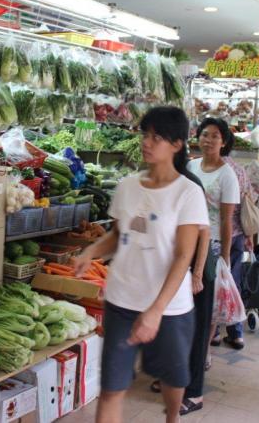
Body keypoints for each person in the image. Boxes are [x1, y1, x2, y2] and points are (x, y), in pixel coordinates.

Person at [72, 106, 209, 423]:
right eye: (145, 135)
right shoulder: (127, 186)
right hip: (121, 301)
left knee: (173, 381)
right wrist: (89, 252)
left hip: (170, 309)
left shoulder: (188, 194)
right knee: (111, 389)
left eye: (157, 137)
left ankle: (172, 418)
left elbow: (182, 256)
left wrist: (156, 310)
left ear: (177, 144)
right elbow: (118, 236)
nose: (147, 142)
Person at [183, 117, 240, 415]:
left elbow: (228, 220)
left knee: (201, 316)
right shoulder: (191, 167)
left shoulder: (227, 175)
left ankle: (195, 380)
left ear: (224, 141)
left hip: (212, 247)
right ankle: (181, 373)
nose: (208, 140)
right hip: (186, 246)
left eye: (215, 136)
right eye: (205, 135)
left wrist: (226, 255)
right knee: (184, 313)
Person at [219, 131, 253, 351]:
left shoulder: (204, 170)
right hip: (237, 234)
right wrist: (249, 235)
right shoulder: (240, 171)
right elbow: (247, 206)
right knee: (234, 282)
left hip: (214, 237)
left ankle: (212, 332)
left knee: (212, 283)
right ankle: (236, 333)